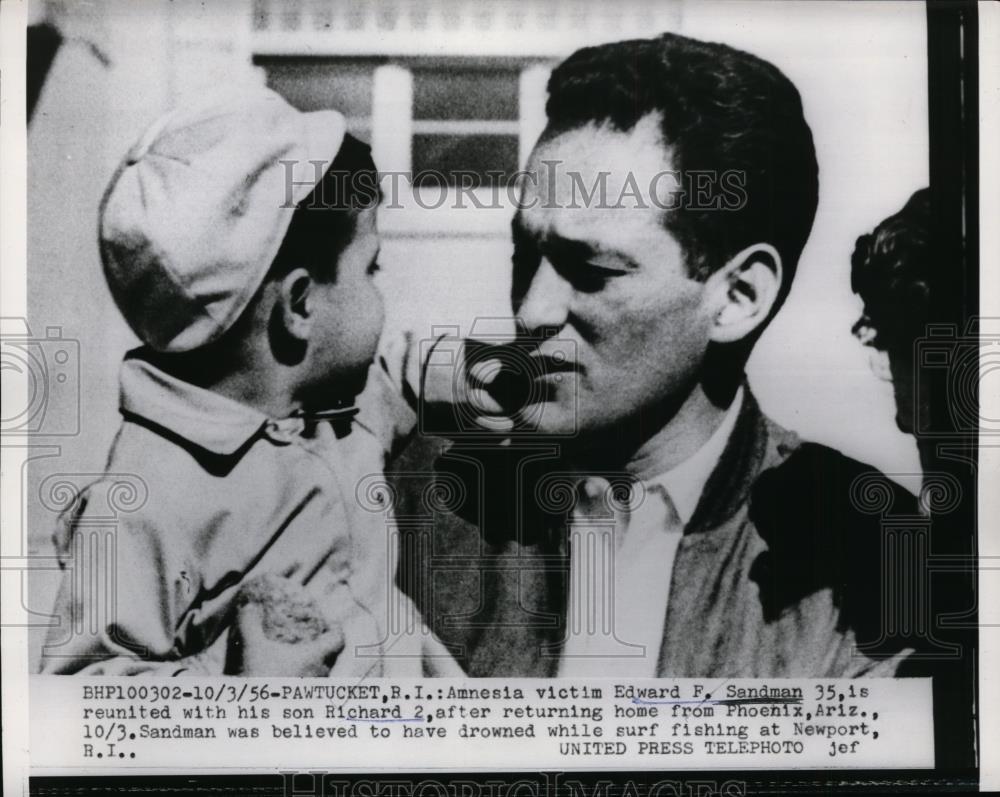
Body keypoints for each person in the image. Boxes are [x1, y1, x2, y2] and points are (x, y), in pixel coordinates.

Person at [395, 32, 920, 678]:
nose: (533, 310)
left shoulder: (863, 556)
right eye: (525, 254)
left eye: (590, 269)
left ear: (738, 297)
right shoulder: (421, 492)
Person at [39, 89, 468, 676]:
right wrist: (242, 687)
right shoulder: (147, 496)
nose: (380, 291)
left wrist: (474, 376)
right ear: (299, 306)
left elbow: (398, 372)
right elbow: (84, 689)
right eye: (372, 267)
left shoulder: (343, 401)